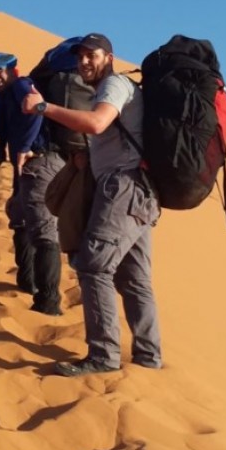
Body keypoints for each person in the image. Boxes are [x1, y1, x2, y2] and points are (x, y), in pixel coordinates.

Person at [22, 33, 161, 376]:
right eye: (80, 56)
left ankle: (103, 356)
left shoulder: (114, 85)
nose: (84, 62)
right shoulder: (116, 88)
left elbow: (97, 123)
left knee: (93, 267)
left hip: (124, 188)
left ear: (109, 58)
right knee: (134, 279)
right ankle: (148, 357)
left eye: (92, 55)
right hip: (139, 191)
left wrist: (43, 107)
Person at [0, 52, 66, 315]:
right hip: (26, 166)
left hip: (40, 160)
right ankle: (27, 282)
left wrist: (24, 147)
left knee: (43, 229)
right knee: (19, 218)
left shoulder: (21, 85)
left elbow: (35, 112)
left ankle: (48, 301)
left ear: (11, 69)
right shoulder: (5, 97)